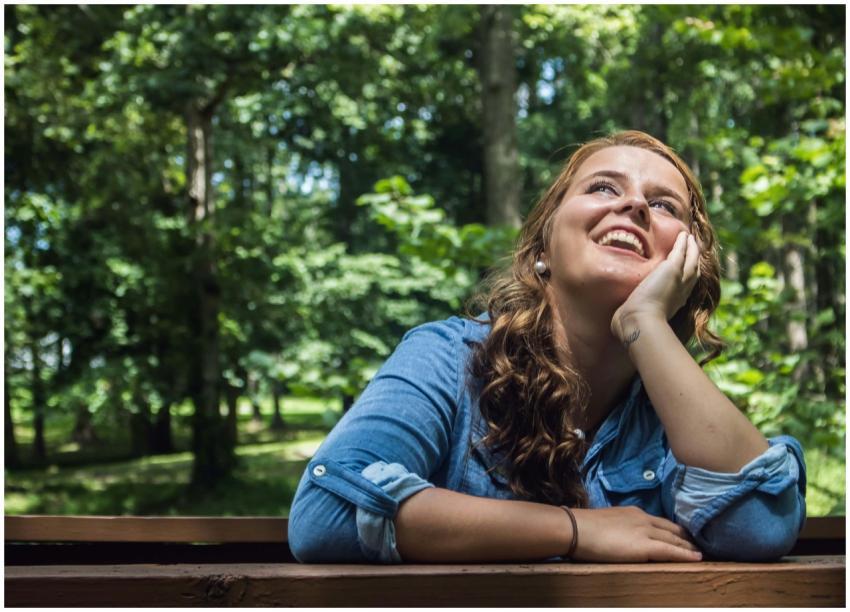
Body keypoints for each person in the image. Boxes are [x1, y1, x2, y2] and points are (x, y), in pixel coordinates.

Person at [287, 130, 806, 564]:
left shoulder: (678, 418)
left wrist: (644, 320)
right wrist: (575, 530)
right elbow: (325, 513)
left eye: (663, 204)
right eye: (603, 188)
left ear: (688, 261)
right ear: (543, 246)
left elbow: (758, 528)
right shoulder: (447, 357)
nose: (633, 205)